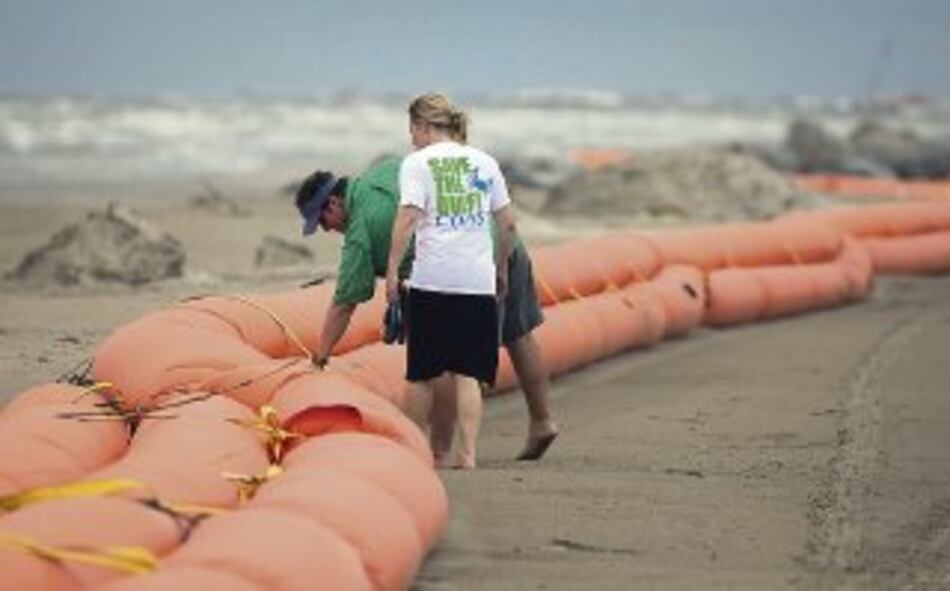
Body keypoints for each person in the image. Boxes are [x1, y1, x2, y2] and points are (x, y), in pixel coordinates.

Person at [295, 104, 559, 463]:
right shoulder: (390, 168)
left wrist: (321, 357)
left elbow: (345, 302)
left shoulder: (358, 232)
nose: (328, 230)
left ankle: (437, 450)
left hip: (453, 271)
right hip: (504, 246)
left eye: (323, 222)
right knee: (519, 334)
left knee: (441, 364)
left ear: (334, 203)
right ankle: (542, 421)